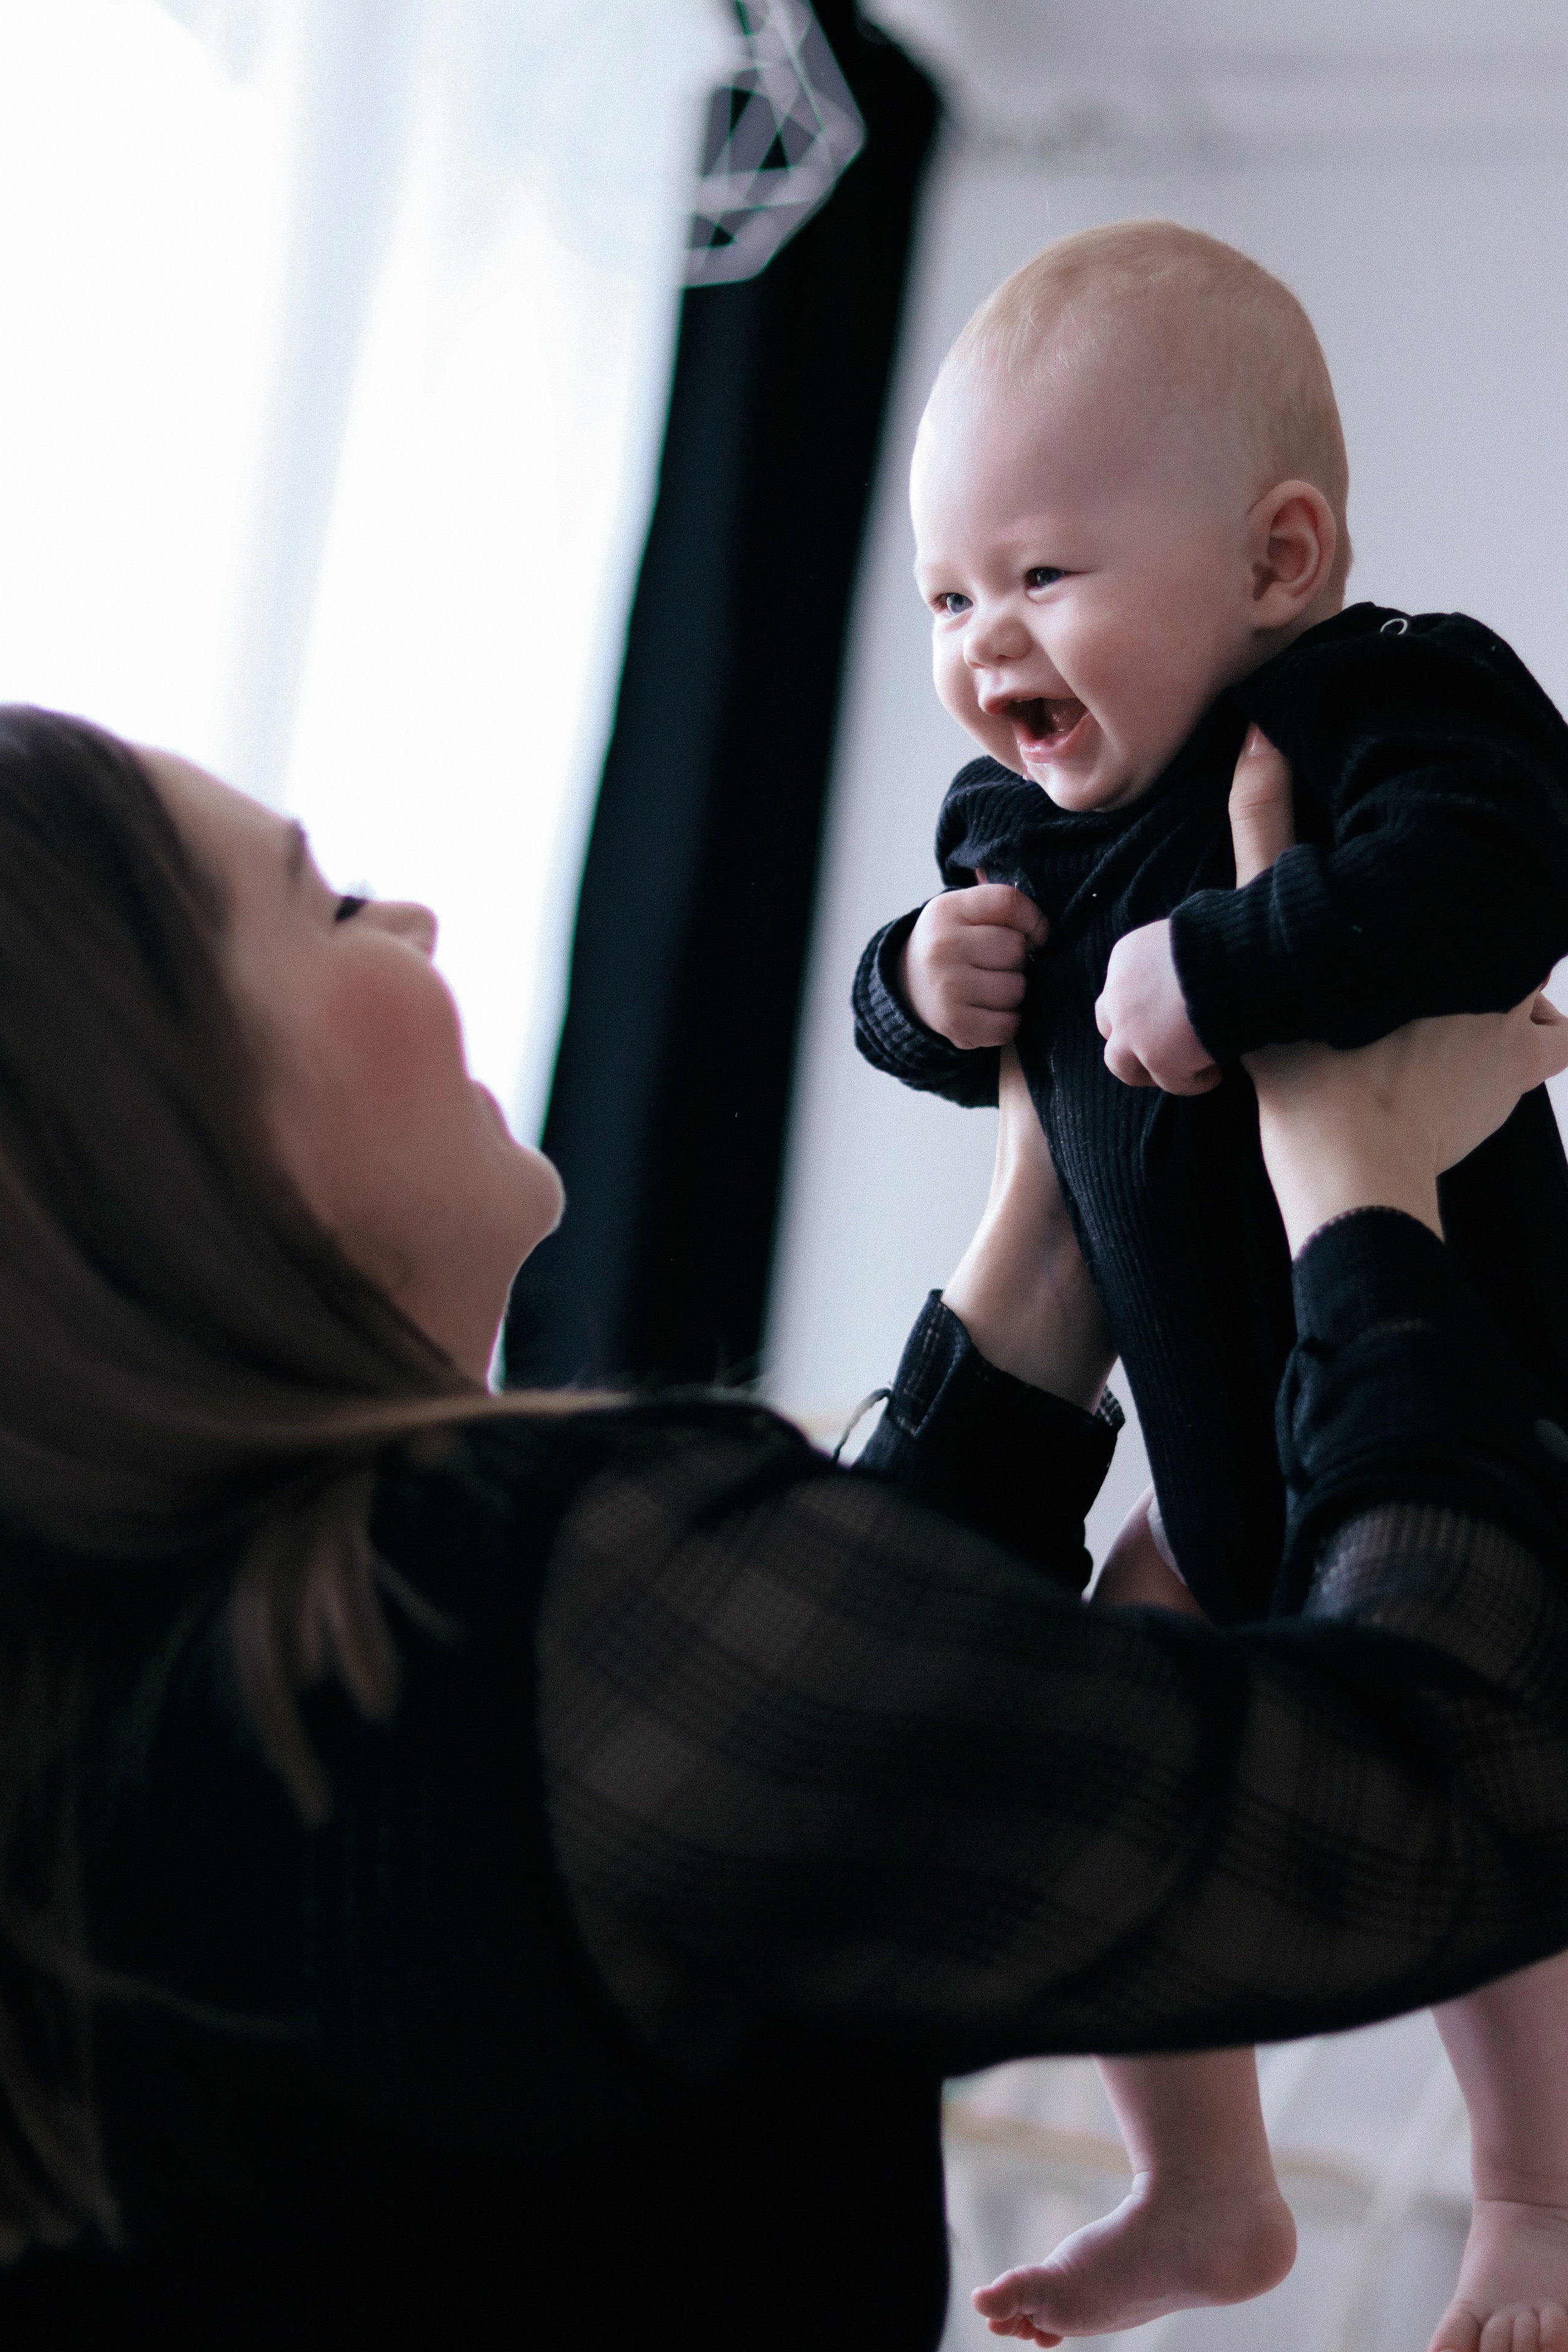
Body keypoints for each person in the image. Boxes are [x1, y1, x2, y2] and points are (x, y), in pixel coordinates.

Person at [0, 715, 1562, 2352]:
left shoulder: (150, 1708)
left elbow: (807, 1771)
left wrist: (1053, 1225)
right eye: (330, 907)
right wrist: (1360, 1186)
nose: (415, 925)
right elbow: (1460, 1785)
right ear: (150, 1132)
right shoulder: (515, 1598)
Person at [849, 221, 1568, 2348]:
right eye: (951, 598)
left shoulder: (1373, 702)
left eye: (1046, 575)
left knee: (1477, 1801)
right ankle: (1204, 2185)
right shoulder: (1018, 823)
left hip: (1465, 1417)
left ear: (1276, 557)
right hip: (1217, 1469)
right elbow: (925, 1026)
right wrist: (916, 980)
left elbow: (1511, 864)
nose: (990, 645)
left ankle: (1530, 2193)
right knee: (1106, 1759)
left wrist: (1228, 963)